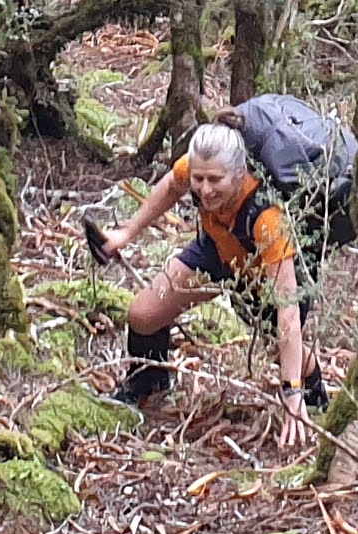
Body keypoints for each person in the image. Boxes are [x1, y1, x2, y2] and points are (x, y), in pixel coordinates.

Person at [94, 119, 326, 440]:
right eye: (199, 179)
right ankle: (149, 382)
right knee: (143, 314)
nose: (204, 189)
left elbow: (288, 314)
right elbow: (171, 186)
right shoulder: (196, 166)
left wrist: (292, 392)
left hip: (261, 273)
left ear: (239, 173)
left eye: (215, 180)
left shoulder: (267, 220)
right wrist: (126, 233)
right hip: (216, 250)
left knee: (281, 347)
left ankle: (313, 400)